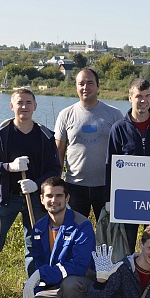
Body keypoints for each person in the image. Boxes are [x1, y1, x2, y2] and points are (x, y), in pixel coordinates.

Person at [9, 176, 96, 298]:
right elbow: (41, 264)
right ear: (42, 199)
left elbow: (79, 266)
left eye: (59, 195)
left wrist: (41, 274)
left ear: (67, 198)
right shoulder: (39, 228)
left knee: (70, 283)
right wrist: (38, 290)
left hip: (81, 286)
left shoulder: (82, 225)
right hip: (54, 289)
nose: (54, 200)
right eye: (49, 196)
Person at [0, 88, 62, 279]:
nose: (24, 107)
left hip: (36, 200)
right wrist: (9, 167)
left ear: (35, 106)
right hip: (6, 199)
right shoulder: (0, 132)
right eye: (20, 103)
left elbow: (55, 169)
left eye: (28, 103)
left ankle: (33, 286)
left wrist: (37, 184)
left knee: (35, 245)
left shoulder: (45, 135)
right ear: (11, 106)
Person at [106, 78, 150, 252]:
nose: (143, 100)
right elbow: (110, 166)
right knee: (126, 247)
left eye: (147, 96)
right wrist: (109, 199)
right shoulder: (118, 128)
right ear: (130, 98)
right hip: (128, 198)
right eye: (138, 96)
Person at [54, 68, 123, 221]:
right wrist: (57, 185)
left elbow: (122, 152)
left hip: (106, 186)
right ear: (76, 87)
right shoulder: (65, 114)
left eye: (90, 83)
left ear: (98, 86)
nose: (85, 87)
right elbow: (59, 151)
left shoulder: (114, 114)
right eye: (81, 84)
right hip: (74, 186)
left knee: (108, 232)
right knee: (75, 231)